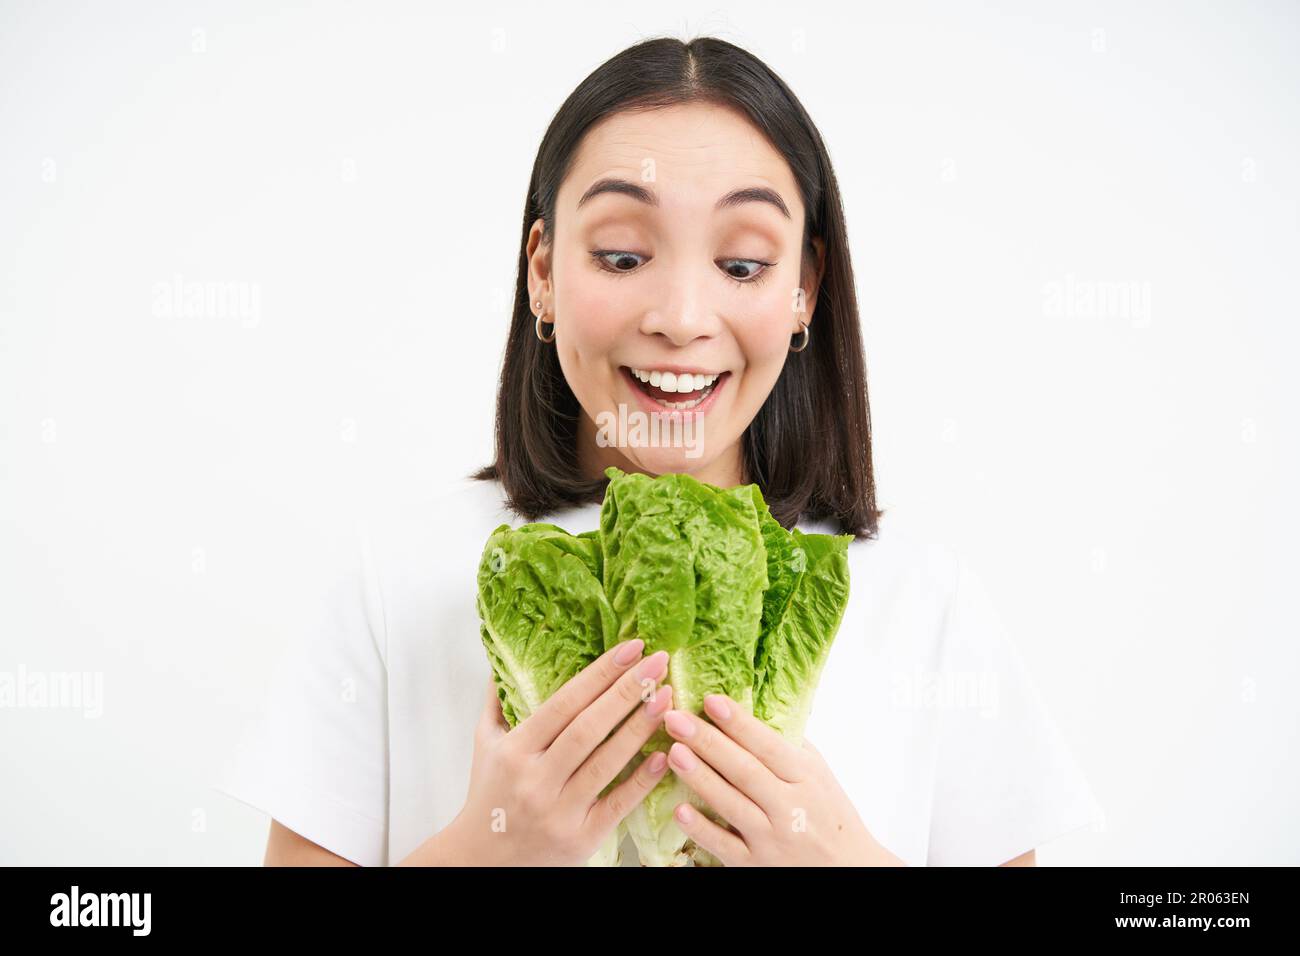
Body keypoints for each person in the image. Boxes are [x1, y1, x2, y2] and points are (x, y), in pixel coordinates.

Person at [216, 35, 1102, 866]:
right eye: (623, 254)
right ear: (543, 271)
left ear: (805, 290)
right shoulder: (393, 581)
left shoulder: (926, 603)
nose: (680, 318)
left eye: (744, 265)